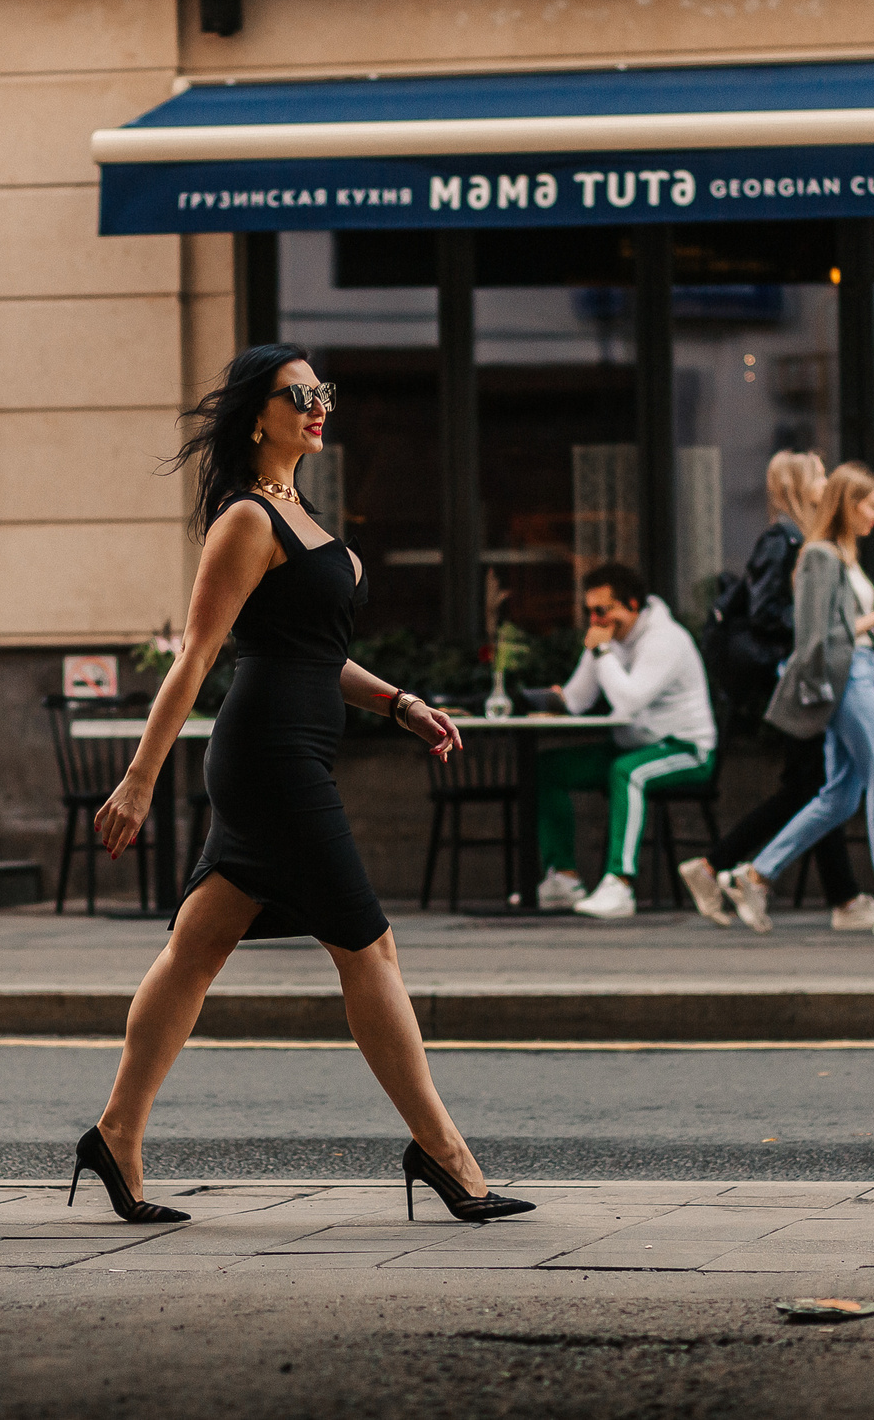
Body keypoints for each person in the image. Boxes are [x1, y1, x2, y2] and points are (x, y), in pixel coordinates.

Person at [82, 346, 533, 1226]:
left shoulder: (299, 512)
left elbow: (316, 656)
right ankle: (446, 1154)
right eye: (301, 395)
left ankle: (115, 1134)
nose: (320, 405)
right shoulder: (247, 520)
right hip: (270, 764)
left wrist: (397, 701)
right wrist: (139, 778)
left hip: (295, 751)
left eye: (325, 392)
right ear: (260, 415)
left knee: (195, 951)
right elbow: (197, 658)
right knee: (368, 948)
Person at [721, 463, 874, 939]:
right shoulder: (821, 556)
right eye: (871, 505)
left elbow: (831, 631)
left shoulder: (838, 554)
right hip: (848, 682)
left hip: (854, 676)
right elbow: (812, 637)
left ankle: (756, 874)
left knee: (841, 795)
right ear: (847, 506)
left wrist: (870, 626)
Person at [682, 452, 874, 930]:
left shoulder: (807, 538)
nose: (827, 481)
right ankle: (724, 869)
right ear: (797, 485)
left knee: (812, 787)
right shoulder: (784, 539)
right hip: (794, 679)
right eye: (819, 475)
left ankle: (839, 897)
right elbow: (767, 611)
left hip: (803, 676)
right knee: (811, 787)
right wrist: (820, 624)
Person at [529, 563, 718, 921]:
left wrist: (601, 654)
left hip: (686, 749)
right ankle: (563, 878)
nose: (596, 619)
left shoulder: (666, 640)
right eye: (589, 611)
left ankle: (620, 883)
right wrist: (547, 700)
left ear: (632, 604)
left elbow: (629, 702)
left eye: (603, 610)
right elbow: (578, 699)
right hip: (633, 746)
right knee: (548, 768)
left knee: (627, 773)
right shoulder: (609, 639)